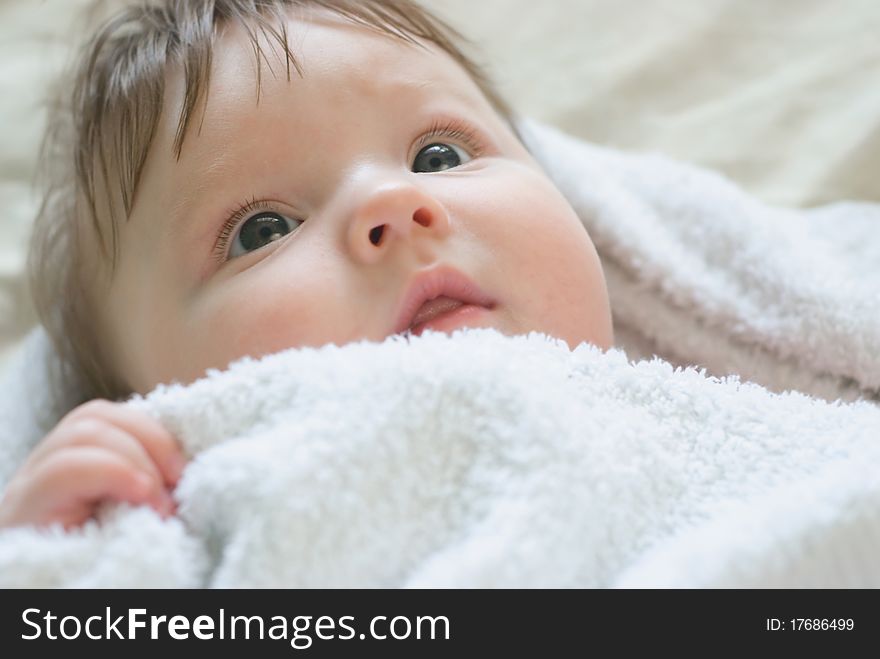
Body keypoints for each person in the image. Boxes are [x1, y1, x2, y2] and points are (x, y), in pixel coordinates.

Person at [0, 0, 613, 530]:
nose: (392, 204)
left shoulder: (693, 433)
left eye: (438, 156)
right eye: (263, 231)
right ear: (149, 412)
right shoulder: (172, 553)